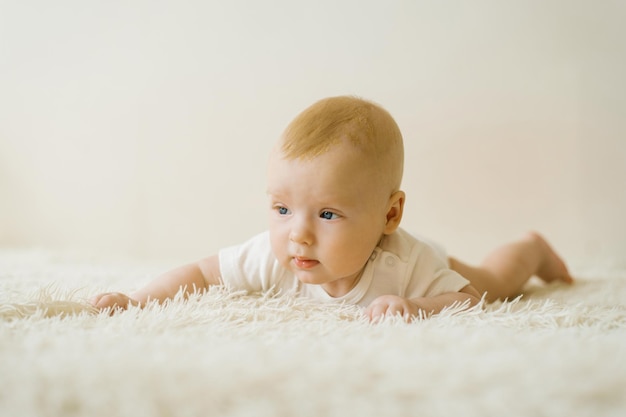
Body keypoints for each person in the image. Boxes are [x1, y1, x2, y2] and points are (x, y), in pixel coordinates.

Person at [91, 96, 573, 321]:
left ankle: (531, 249)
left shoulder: (406, 264)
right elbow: (199, 272)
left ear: (389, 216)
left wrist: (416, 307)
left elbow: (468, 300)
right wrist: (137, 300)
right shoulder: (273, 254)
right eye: (282, 209)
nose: (297, 234)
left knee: (498, 282)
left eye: (326, 215)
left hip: (442, 270)